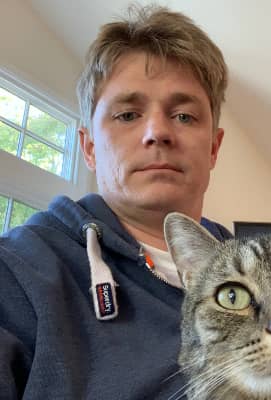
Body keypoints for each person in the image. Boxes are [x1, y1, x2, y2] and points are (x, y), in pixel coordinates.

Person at [0, 5, 232, 399]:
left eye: (184, 116)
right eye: (127, 115)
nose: (157, 132)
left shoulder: (256, 266)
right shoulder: (17, 272)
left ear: (213, 148)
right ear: (89, 147)